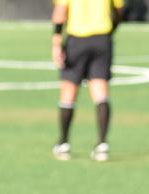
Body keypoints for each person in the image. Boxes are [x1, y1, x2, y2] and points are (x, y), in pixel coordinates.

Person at [51, 0, 125, 162]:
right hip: (102, 39)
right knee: (100, 92)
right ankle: (102, 144)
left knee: (68, 92)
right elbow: (119, 11)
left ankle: (63, 143)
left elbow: (61, 10)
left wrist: (56, 40)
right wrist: (111, 29)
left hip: (77, 39)